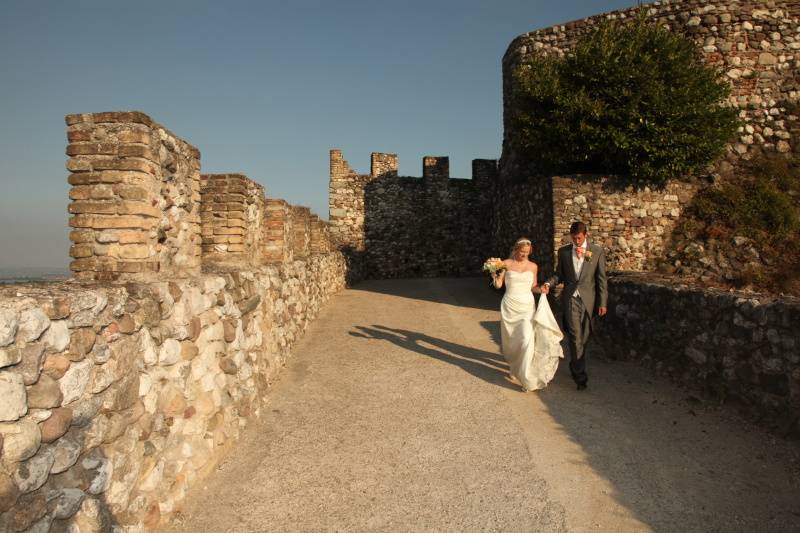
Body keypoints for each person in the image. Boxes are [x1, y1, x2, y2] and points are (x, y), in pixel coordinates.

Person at [488, 238, 564, 392]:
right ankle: (515, 366)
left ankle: (526, 378)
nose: (523, 255)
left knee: (525, 339)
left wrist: (541, 289)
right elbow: (498, 285)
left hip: (527, 307)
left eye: (527, 253)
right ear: (516, 249)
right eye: (521, 252)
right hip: (510, 305)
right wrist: (493, 273)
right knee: (512, 343)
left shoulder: (533, 266)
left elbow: (533, 286)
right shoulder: (506, 264)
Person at [541, 222, 608, 391]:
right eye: (573, 238)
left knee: (584, 338)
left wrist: (603, 302)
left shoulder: (597, 251)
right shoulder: (563, 252)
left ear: (585, 235)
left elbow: (601, 279)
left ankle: (576, 362)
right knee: (576, 336)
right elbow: (559, 274)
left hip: (589, 300)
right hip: (571, 298)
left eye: (579, 238)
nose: (576, 241)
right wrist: (549, 283)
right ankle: (580, 377)